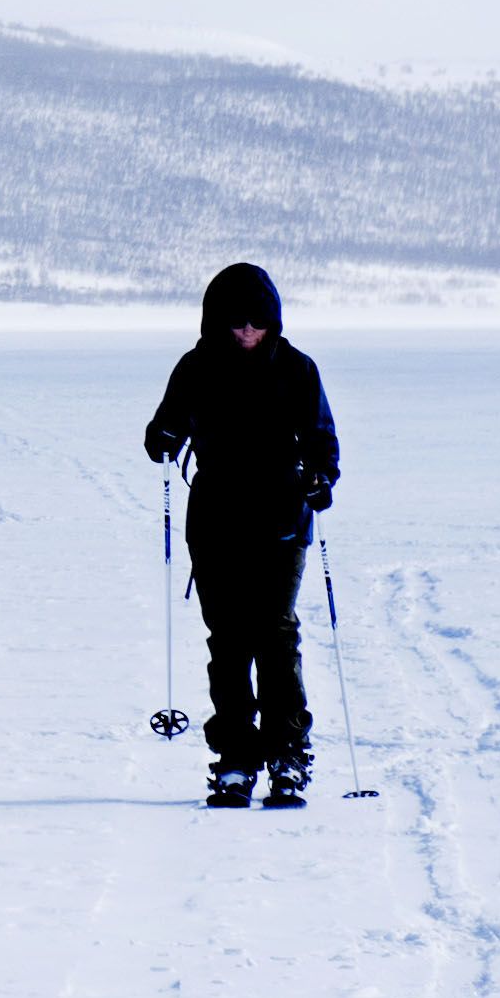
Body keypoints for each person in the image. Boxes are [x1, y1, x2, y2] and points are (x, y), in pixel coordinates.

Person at [145, 259, 340, 809]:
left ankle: (287, 756)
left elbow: (323, 442)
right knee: (228, 640)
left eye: (257, 321)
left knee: (275, 635)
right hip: (215, 522)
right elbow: (164, 427)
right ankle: (235, 758)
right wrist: (162, 436)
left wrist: (322, 478)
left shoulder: (298, 370)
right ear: (216, 322)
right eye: (237, 322)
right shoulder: (196, 367)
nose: (247, 331)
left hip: (282, 520)